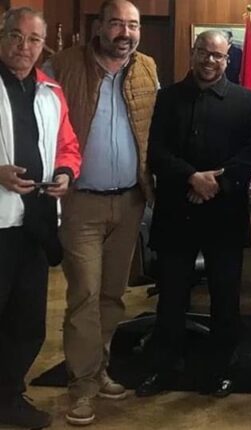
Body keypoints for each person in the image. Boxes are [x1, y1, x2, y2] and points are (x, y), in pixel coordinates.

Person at [45, 0, 159, 424]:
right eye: (116, 24)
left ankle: (100, 369)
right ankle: (82, 387)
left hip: (130, 202)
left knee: (112, 294)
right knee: (85, 295)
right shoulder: (63, 66)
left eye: (133, 25)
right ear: (98, 27)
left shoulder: (147, 68)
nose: (125, 33)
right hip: (81, 202)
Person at [135, 30, 251, 398]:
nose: (210, 61)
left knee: (225, 298)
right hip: (177, 211)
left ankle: (220, 370)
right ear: (192, 53)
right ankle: (163, 369)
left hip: (225, 214)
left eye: (218, 55)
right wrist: (192, 177)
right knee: (171, 296)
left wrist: (215, 184)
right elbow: (156, 151)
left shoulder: (249, 103)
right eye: (204, 53)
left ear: (228, 60)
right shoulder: (167, 98)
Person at [0, 7, 81, 429]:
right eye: (16, 36)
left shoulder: (51, 91)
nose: (24, 46)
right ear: (2, 36)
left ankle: (8, 396)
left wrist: (66, 173)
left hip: (35, 223)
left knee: (27, 322)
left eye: (34, 40)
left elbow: (68, 145)